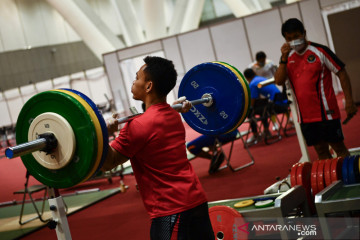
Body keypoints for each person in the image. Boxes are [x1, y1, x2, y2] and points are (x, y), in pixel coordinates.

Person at [102, 56, 215, 240]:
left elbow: (108, 163)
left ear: (148, 86)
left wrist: (101, 135)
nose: (134, 81)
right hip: (196, 200)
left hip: (170, 212)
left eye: (137, 77)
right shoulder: (174, 115)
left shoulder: (136, 126)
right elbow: (157, 117)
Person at [274, 18, 357, 160]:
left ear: (304, 33)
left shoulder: (320, 51)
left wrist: (349, 100)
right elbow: (279, 81)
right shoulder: (288, 58)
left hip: (327, 113)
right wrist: (283, 58)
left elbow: (341, 72)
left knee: (339, 148)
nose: (294, 41)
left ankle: (351, 178)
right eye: (289, 38)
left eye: (296, 37)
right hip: (306, 117)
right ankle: (334, 181)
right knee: (321, 152)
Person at [244, 68, 289, 144]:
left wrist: (249, 108)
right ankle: (266, 130)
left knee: (250, 112)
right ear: (254, 72)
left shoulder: (252, 84)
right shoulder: (261, 78)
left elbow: (252, 100)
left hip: (277, 105)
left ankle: (256, 135)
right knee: (262, 109)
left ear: (246, 77)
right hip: (283, 101)